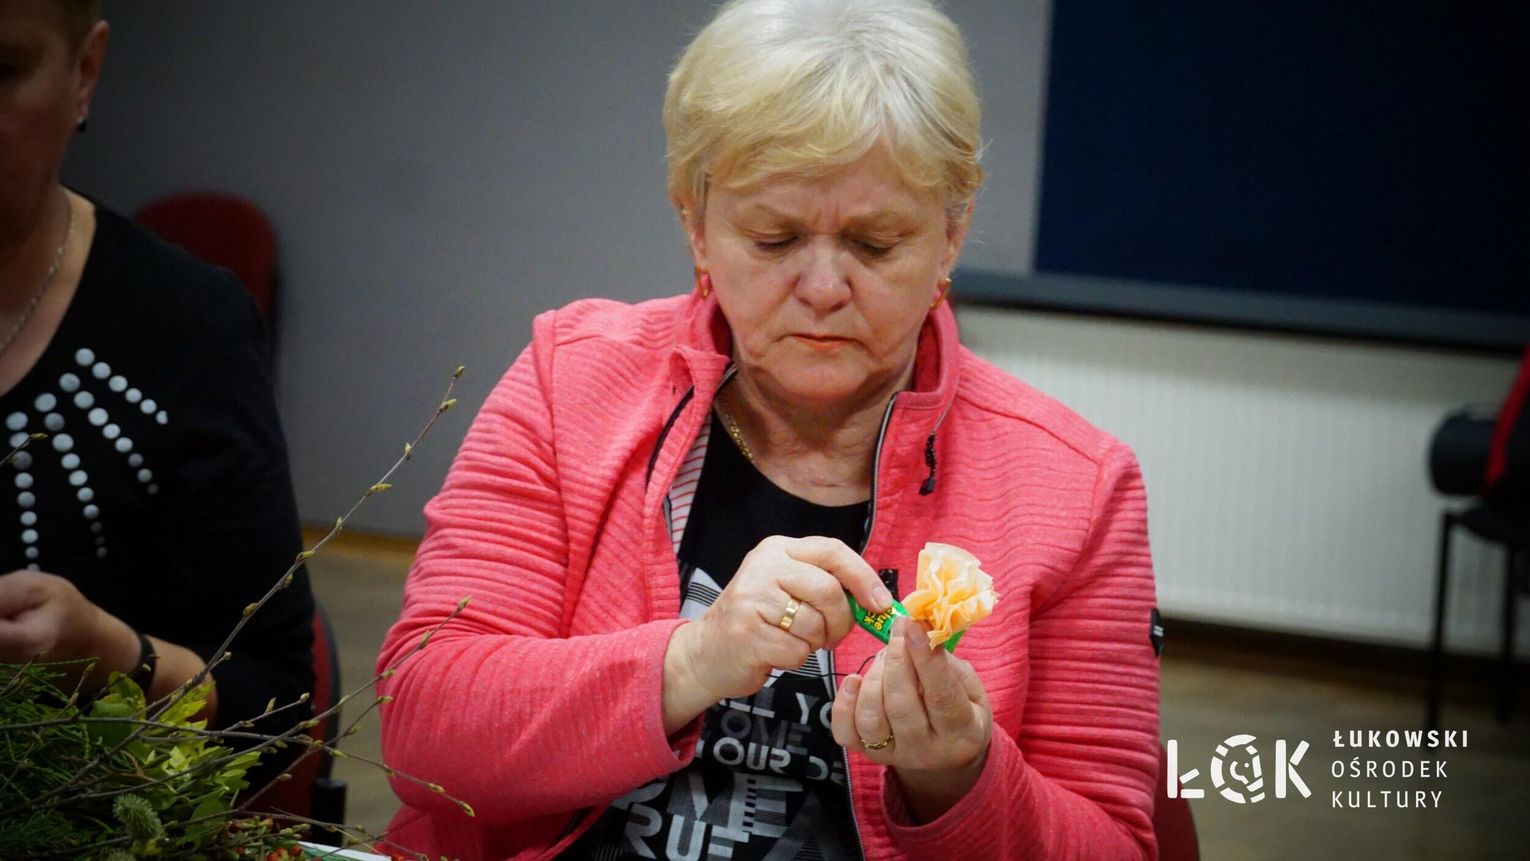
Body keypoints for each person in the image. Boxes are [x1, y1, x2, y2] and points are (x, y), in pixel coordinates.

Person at [378, 1, 1160, 858]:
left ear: (951, 235)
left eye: (876, 243)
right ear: (695, 223)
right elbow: (423, 730)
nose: (823, 288)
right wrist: (692, 660)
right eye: (774, 237)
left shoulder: (1076, 486)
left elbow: (1115, 845)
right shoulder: (573, 381)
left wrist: (962, 778)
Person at [0, 0, 314, 771]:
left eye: (2, 70)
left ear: (84, 72)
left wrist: (113, 656)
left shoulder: (187, 327)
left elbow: (274, 707)